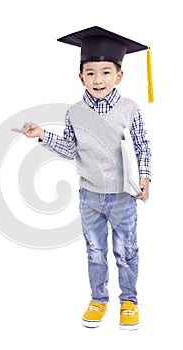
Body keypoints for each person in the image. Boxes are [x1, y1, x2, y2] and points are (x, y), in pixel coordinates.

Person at [12, 26, 152, 331]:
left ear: (119, 76)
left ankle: (129, 300)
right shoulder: (74, 112)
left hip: (122, 195)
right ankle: (98, 299)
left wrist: (145, 178)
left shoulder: (130, 109)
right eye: (90, 73)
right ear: (81, 77)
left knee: (126, 250)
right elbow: (71, 148)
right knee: (95, 251)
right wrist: (42, 135)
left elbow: (142, 145)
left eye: (105, 72)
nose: (98, 80)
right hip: (89, 195)